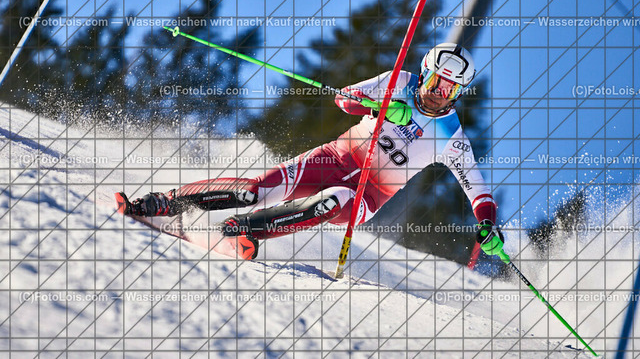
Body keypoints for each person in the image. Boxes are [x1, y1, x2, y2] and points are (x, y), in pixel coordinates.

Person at [116, 43, 504, 260]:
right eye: (436, 81)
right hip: (333, 158)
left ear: (458, 93)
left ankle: (241, 231)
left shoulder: (451, 137)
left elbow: (479, 193)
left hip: (365, 196)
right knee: (253, 191)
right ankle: (162, 203)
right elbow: (344, 99)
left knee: (331, 201)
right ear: (424, 73)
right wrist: (382, 106)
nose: (439, 93)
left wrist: (487, 224)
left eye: (450, 89)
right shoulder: (398, 82)